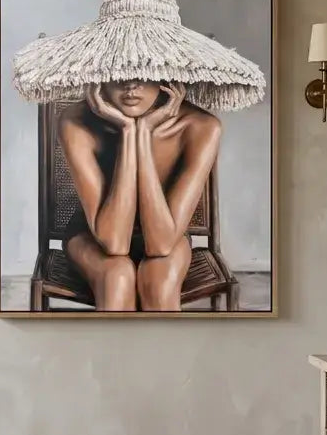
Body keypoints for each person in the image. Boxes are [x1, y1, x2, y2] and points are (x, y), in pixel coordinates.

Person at [58, 78, 222, 311]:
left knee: (160, 282)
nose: (131, 86)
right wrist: (128, 131)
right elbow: (114, 243)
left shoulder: (202, 126)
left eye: (144, 75)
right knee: (117, 277)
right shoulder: (74, 120)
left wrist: (143, 132)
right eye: (119, 74)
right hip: (92, 236)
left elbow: (161, 244)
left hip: (168, 233)